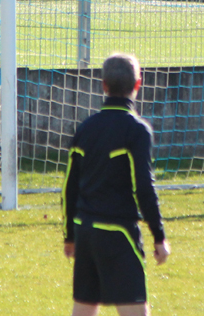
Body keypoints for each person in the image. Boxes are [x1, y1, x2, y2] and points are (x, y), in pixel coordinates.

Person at [62, 53, 171, 316]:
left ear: (103, 85)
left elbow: (69, 186)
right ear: (138, 84)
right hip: (117, 233)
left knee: (83, 309)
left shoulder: (85, 128)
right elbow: (144, 187)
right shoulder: (136, 129)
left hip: (85, 231)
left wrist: (70, 234)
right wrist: (159, 235)